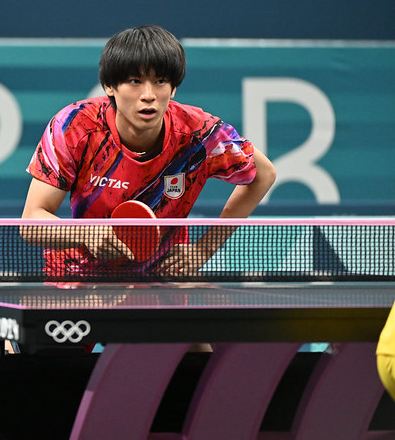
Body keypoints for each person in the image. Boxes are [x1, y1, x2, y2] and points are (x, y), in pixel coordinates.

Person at [21, 25, 276, 278]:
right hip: (75, 278)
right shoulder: (75, 127)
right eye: (135, 81)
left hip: (161, 280)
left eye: (160, 81)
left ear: (173, 88)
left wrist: (204, 249)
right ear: (110, 86)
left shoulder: (199, 135)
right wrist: (86, 234)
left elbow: (264, 174)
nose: (148, 95)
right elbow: (31, 222)